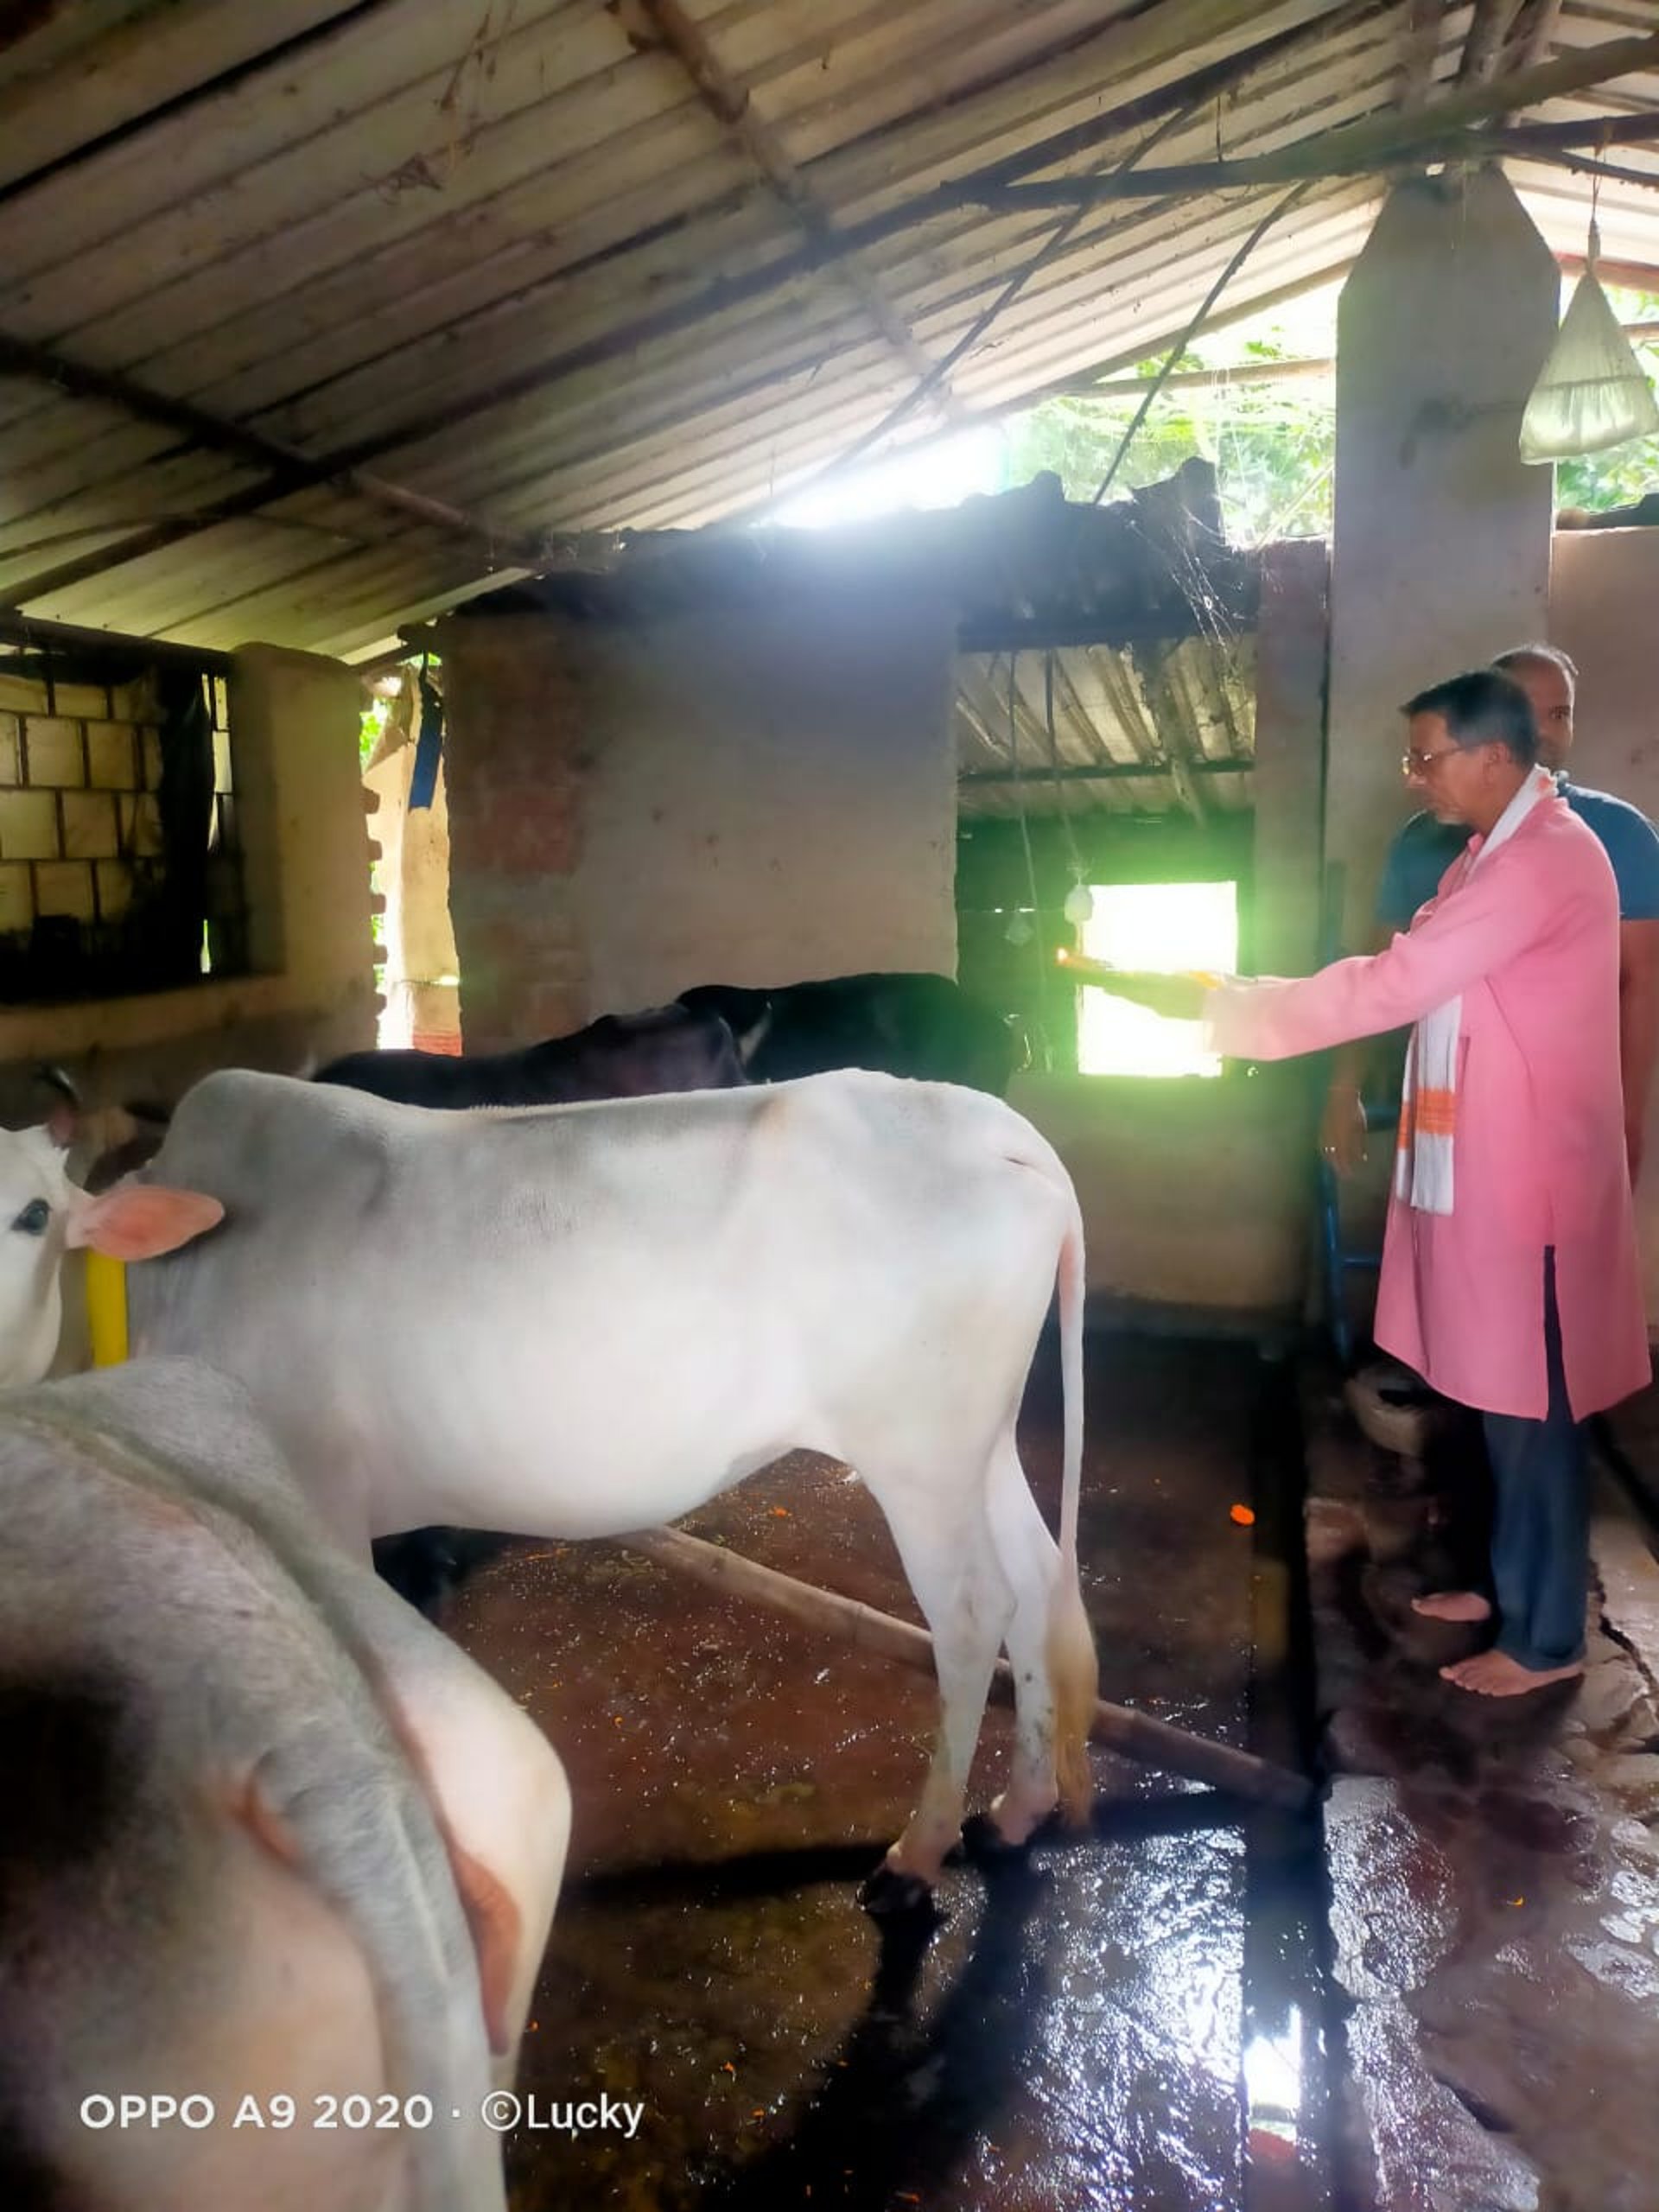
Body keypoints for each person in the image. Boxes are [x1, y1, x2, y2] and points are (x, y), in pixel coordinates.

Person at [1084, 669, 1649, 1698]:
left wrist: (1221, 1008)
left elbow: (1394, 984)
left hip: (1530, 1181)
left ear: (1494, 755)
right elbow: (1408, 968)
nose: (1413, 777)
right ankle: (1501, 1586)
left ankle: (1545, 1639)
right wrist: (1228, 995)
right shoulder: (1488, 855)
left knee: (1532, 1414)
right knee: (1490, 1398)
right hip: (1488, 1165)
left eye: (1426, 757)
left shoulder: (1543, 859)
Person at [1321, 644, 1659, 1185]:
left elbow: (1640, 982)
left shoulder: (1616, 836)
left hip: (1558, 1111)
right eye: (1524, 708)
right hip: (1447, 1100)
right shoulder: (1424, 842)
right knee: (1450, 1221)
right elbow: (1383, 968)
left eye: (1560, 714)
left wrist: (1626, 1116)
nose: (1543, 731)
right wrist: (1345, 1086)